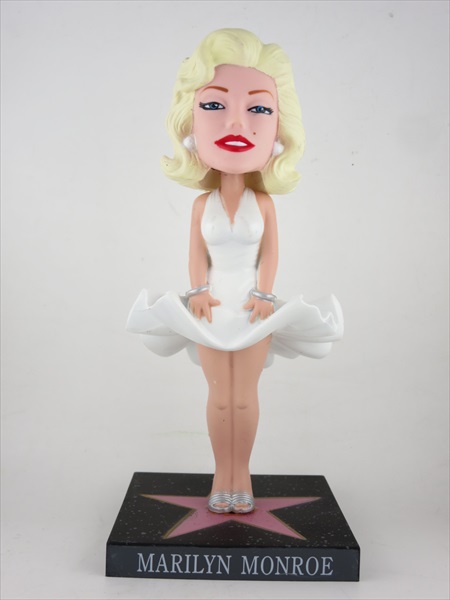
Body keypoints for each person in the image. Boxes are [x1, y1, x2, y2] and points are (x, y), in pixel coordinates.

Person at [127, 29, 343, 514]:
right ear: (189, 123)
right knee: (219, 397)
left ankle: (240, 476)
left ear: (279, 130)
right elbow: (195, 255)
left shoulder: (263, 203)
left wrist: (264, 295)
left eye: (259, 108)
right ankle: (218, 476)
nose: (237, 123)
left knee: (244, 397)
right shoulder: (200, 204)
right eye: (213, 105)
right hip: (209, 308)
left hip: (251, 308)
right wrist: (197, 291)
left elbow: (271, 253)